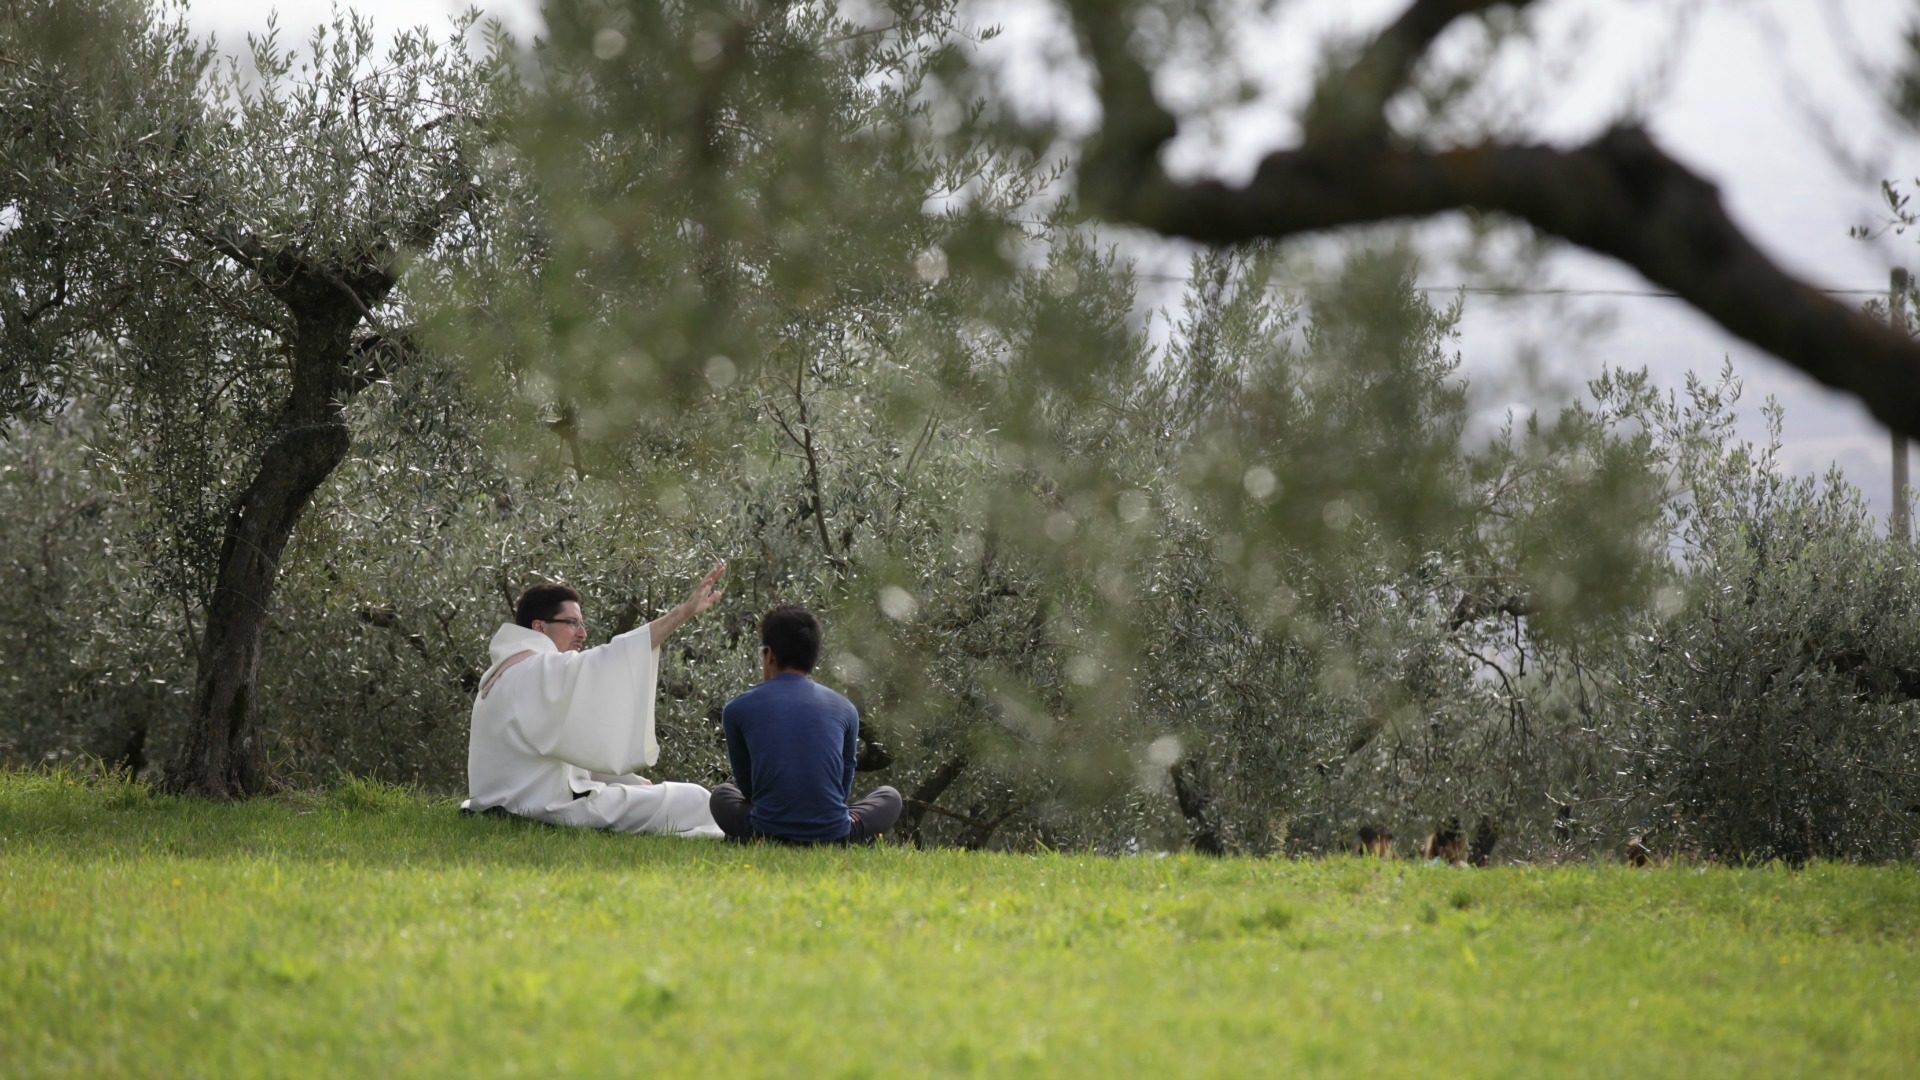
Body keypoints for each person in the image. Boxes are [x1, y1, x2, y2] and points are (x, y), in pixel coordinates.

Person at [464, 565, 727, 837]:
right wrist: (682, 613)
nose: (582, 633)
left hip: (512, 802)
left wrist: (629, 781)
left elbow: (564, 748)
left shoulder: (506, 672)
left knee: (657, 794)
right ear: (539, 627)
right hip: (544, 808)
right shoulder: (540, 669)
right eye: (572, 623)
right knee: (695, 799)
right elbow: (615, 656)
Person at [710, 605, 901, 844]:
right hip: (833, 832)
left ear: (769, 655)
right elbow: (843, 787)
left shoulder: (737, 708)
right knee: (890, 796)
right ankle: (847, 829)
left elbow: (748, 789)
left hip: (766, 830)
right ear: (812, 656)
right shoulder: (845, 708)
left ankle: (763, 833)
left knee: (721, 795)